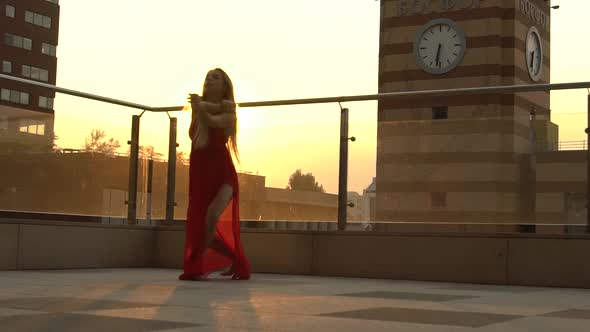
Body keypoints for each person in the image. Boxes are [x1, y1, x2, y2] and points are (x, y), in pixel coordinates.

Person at [179, 68, 250, 281]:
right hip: (200, 170)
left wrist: (200, 107)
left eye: (215, 77)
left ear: (224, 86)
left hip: (223, 172)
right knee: (201, 222)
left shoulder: (229, 111)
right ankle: (233, 257)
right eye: (207, 77)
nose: (209, 80)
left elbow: (212, 122)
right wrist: (199, 106)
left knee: (211, 216)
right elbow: (198, 131)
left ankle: (195, 263)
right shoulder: (198, 106)